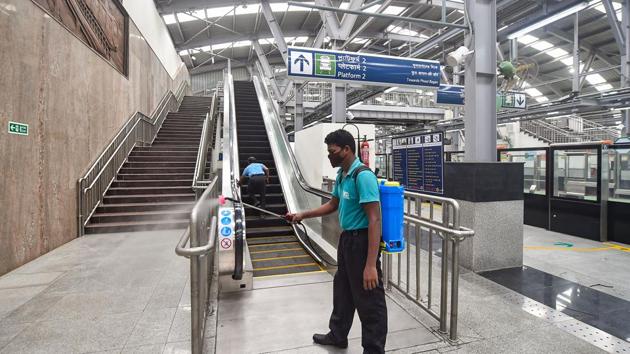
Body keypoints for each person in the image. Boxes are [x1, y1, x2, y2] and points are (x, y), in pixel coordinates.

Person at [285, 129, 387, 354]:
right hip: (347, 241)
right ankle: (338, 334)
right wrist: (303, 215)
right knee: (342, 290)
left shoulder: (363, 176)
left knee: (369, 299)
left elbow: (374, 219)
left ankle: (374, 349)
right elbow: (333, 205)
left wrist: (370, 265)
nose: (329, 156)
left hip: (362, 243)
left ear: (347, 150)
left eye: (332, 152)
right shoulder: (343, 174)